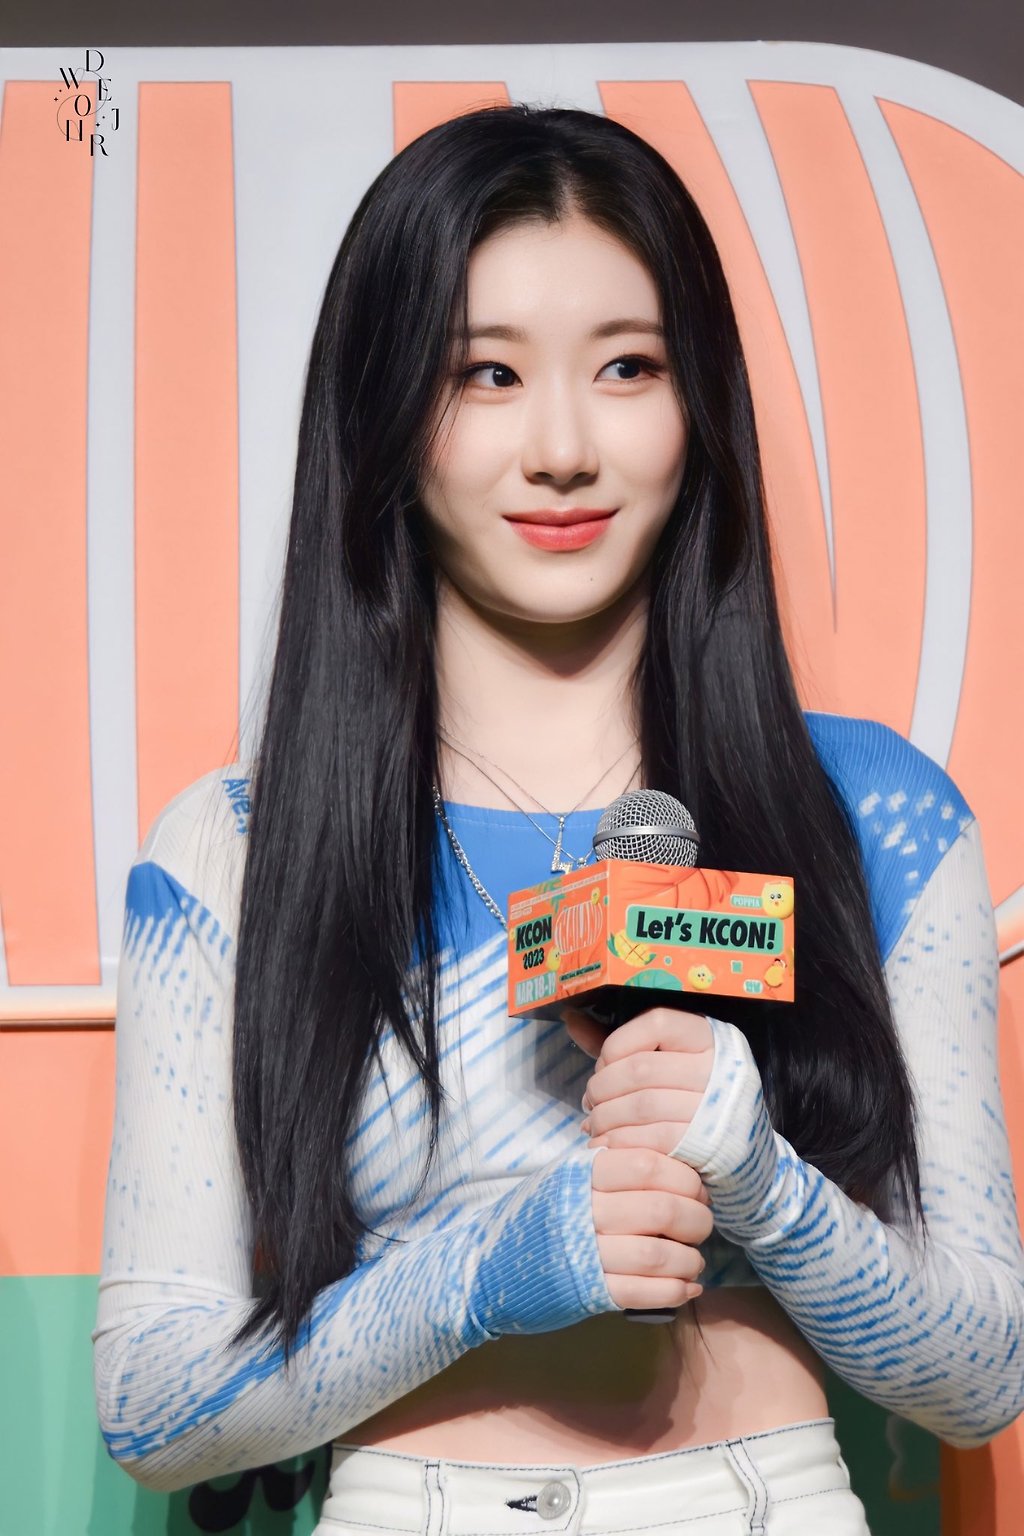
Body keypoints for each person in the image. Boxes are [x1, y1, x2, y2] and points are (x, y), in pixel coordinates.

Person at [92, 104, 1024, 1536]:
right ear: (383, 415)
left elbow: (983, 1375)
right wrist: (479, 1275)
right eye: (487, 374)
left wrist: (761, 1179)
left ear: (699, 401)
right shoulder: (235, 847)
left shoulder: (877, 816)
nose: (566, 447)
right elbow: (151, 1402)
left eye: (629, 366)